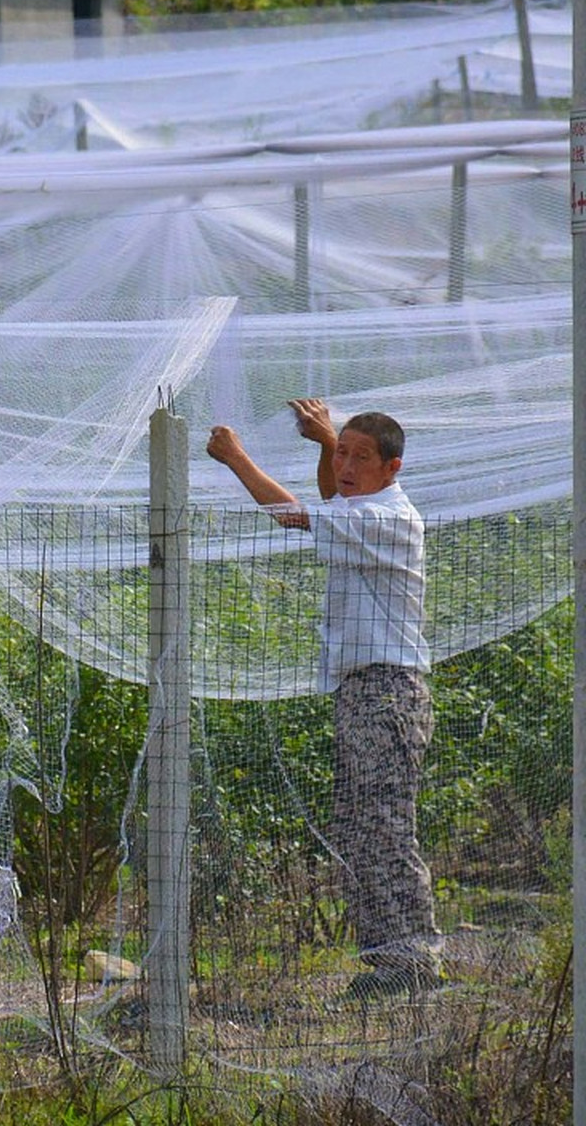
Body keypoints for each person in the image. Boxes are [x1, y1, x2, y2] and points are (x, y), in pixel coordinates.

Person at [206, 399, 441, 1000]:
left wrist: (236, 458)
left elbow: (296, 515)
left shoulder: (389, 518)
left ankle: (413, 960)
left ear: (392, 467)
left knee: (385, 827)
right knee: (360, 827)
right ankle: (388, 962)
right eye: (343, 454)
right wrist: (324, 445)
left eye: (361, 457)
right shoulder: (361, 510)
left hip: (388, 691)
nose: (346, 466)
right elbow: (333, 501)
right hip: (364, 689)